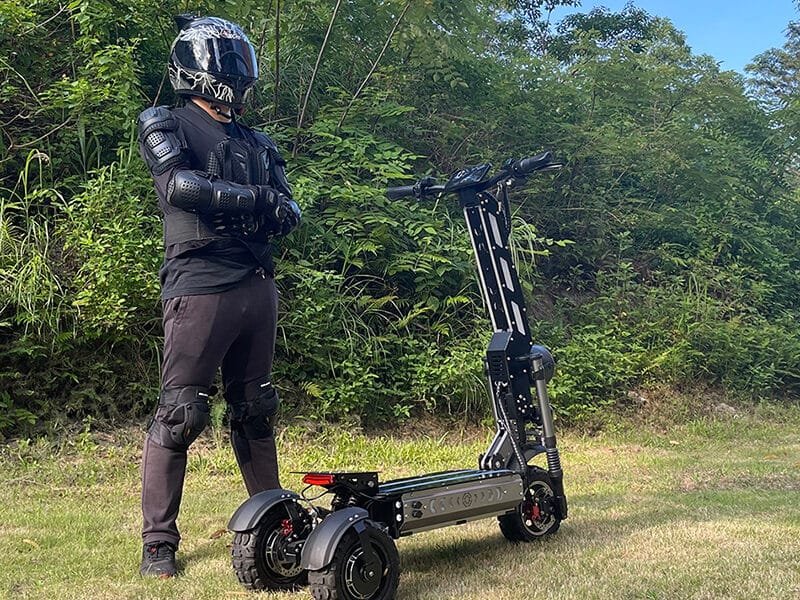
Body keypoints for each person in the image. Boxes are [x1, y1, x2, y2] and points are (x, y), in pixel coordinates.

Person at [136, 14, 301, 578]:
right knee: (181, 412)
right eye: (226, 63)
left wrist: (274, 207)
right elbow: (181, 187)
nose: (235, 74)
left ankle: (278, 528)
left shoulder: (257, 141)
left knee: (256, 409)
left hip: (257, 282)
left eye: (238, 63)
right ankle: (158, 544)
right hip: (201, 282)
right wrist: (257, 200)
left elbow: (289, 208)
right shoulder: (165, 122)